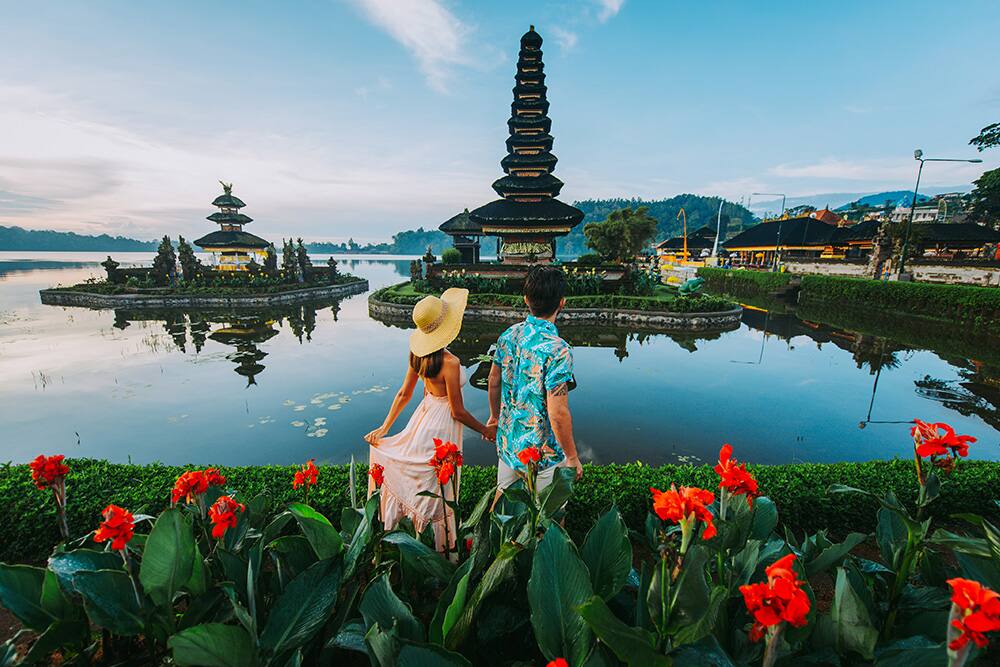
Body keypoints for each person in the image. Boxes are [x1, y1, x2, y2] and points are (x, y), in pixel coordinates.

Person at [364, 288, 495, 552]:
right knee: (440, 485)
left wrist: (385, 428)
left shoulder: (417, 355)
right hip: (443, 424)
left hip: (422, 418)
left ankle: (416, 540)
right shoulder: (451, 362)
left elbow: (404, 393)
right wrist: (485, 429)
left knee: (426, 477)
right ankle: (441, 550)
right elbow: (457, 411)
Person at [487, 265, 583, 495]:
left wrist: (494, 417)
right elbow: (557, 412)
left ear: (526, 299)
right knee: (550, 521)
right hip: (542, 454)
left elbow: (493, 380)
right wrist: (572, 456)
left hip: (509, 445)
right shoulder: (558, 350)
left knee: (504, 512)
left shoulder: (508, 335)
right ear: (562, 302)